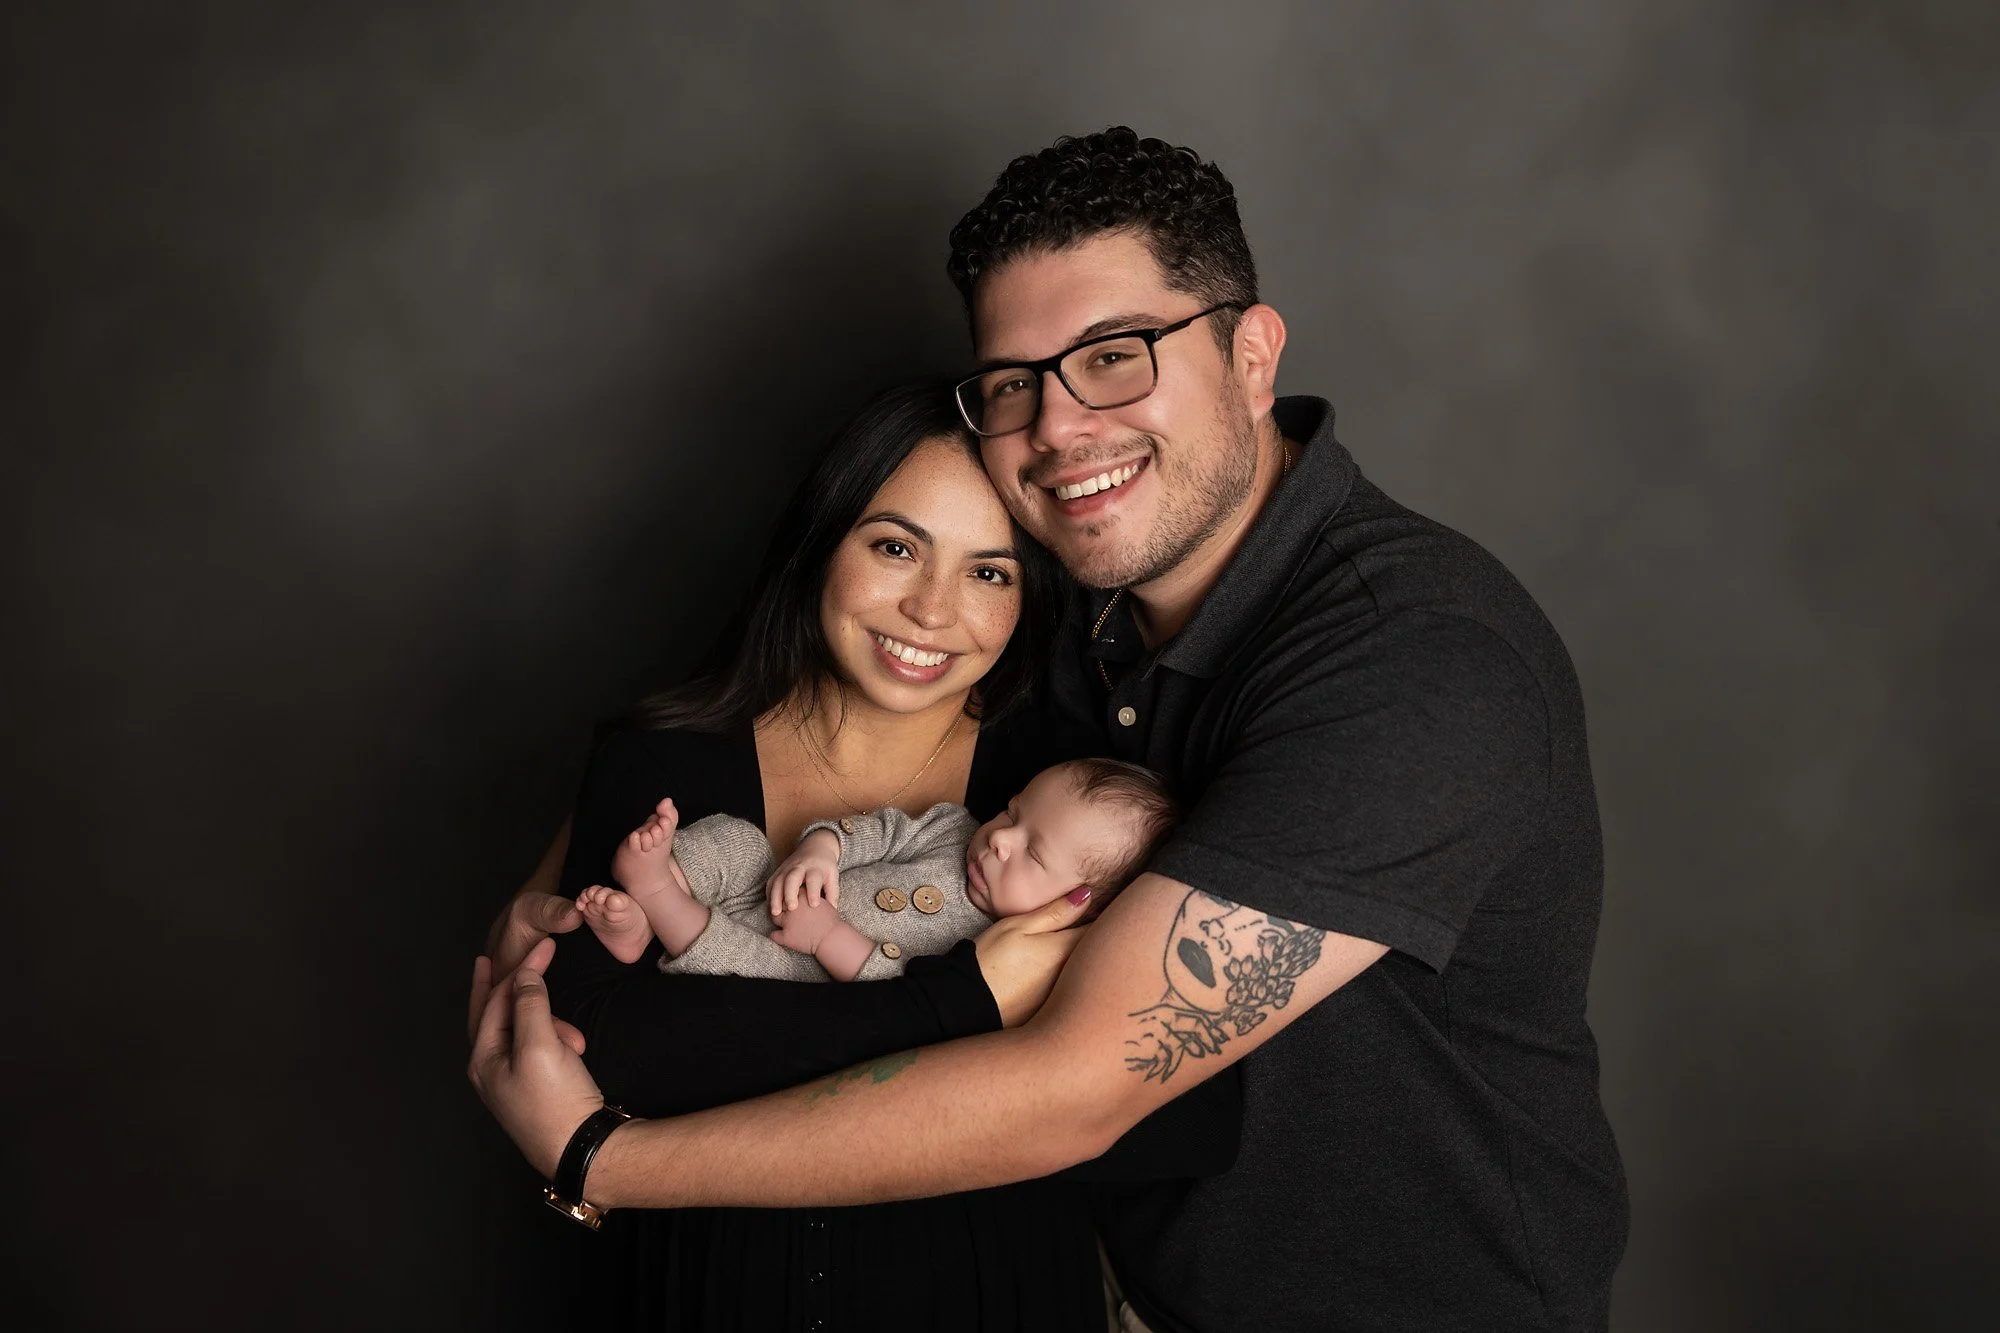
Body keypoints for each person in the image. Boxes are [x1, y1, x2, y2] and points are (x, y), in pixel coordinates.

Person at [473, 128, 1628, 1332]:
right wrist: (583, 843)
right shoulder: (1074, 598)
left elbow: (1068, 1093)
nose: (1060, 428)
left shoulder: (1415, 663)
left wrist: (601, 1161)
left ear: (1251, 355)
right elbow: (840, 702)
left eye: (1116, 357)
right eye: (1016, 383)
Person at [483, 379, 1238, 1332]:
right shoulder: (666, 758)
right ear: (819, 548)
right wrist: (970, 1009)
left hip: (985, 1295)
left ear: (1030, 600)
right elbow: (602, 1052)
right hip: (702, 1295)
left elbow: (1184, 1111)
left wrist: (716, 1036)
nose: (932, 609)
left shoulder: (1068, 788)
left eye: (990, 573)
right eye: (895, 546)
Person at [575, 758, 1178, 981]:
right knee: (742, 840)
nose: (1000, 841)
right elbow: (881, 829)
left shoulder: (1002, 952)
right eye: (1013, 812)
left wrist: (828, 938)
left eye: (1033, 853)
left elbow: (909, 991)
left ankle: (655, 895)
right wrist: (822, 850)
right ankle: (653, 904)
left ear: (1079, 908)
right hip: (778, 885)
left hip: (807, 957)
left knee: (767, 967)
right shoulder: (956, 830)